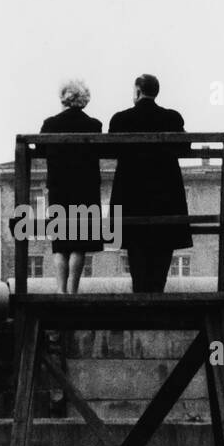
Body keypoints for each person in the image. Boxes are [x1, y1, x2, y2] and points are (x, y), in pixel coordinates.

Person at [107, 73, 192, 293]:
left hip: (131, 192)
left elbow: (109, 150)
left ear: (137, 91)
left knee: (136, 246)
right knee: (163, 246)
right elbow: (185, 147)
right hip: (165, 193)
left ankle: (140, 293)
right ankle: (157, 292)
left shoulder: (121, 119)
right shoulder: (172, 118)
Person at [40, 78, 105, 294]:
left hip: (59, 187)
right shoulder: (94, 125)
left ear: (64, 97)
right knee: (79, 243)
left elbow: (40, 151)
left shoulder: (50, 124)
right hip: (85, 188)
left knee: (60, 243)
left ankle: (60, 289)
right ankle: (74, 289)